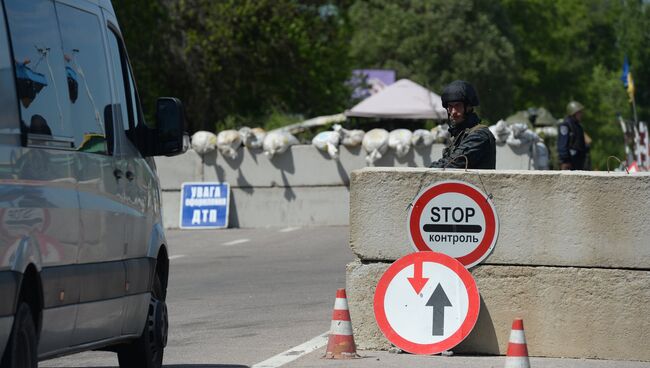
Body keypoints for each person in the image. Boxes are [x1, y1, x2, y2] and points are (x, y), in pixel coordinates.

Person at [429, 80, 496, 169]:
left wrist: (430, 169)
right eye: (450, 106)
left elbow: (452, 164)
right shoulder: (461, 134)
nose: (453, 112)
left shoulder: (479, 136)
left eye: (458, 106)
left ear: (469, 107)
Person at [557, 101, 588, 170]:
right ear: (573, 113)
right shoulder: (566, 125)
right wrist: (565, 161)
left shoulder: (578, 126)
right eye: (579, 112)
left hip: (578, 161)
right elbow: (562, 144)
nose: (581, 114)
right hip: (569, 162)